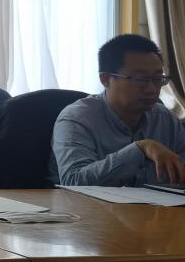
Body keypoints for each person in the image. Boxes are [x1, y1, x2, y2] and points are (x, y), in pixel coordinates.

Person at [53, 34, 185, 186]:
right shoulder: (77, 119)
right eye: (139, 79)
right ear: (105, 79)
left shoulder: (166, 120)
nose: (151, 89)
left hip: (156, 202)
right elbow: (73, 181)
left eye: (157, 79)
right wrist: (141, 149)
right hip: (78, 202)